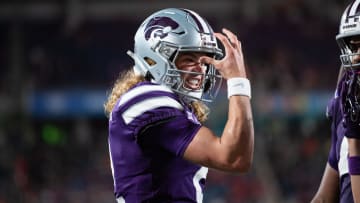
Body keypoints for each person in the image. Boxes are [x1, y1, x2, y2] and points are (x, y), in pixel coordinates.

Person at [103, 8, 254, 203]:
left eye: (203, 61)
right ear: (155, 57)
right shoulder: (146, 99)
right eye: (189, 59)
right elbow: (233, 158)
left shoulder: (171, 104)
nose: (201, 68)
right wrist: (237, 81)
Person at [311, 1, 360, 202]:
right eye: (353, 46)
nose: (356, 57)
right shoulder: (347, 106)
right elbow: (324, 197)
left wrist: (355, 142)